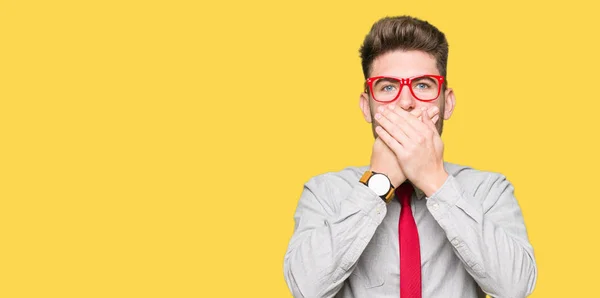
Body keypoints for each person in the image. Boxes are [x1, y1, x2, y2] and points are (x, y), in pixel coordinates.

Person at [283, 16, 537, 298]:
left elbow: (516, 287)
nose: (406, 102)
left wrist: (435, 181)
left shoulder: (488, 190)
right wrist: (377, 184)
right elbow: (305, 290)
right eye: (388, 87)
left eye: (423, 85)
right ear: (367, 107)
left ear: (447, 102)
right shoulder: (324, 193)